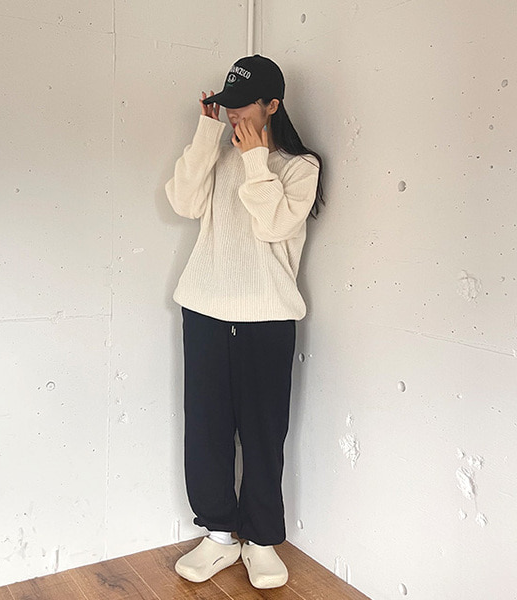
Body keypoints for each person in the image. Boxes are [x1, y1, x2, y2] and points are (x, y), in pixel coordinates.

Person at [164, 54, 324, 590]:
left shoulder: (300, 167)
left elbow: (274, 224)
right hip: (205, 309)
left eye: (242, 106)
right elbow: (183, 202)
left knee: (263, 434)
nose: (234, 115)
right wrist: (206, 136)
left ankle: (261, 540)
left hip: (267, 318)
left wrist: (256, 160)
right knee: (205, 430)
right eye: (226, 106)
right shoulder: (219, 154)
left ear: (273, 104)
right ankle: (218, 535)